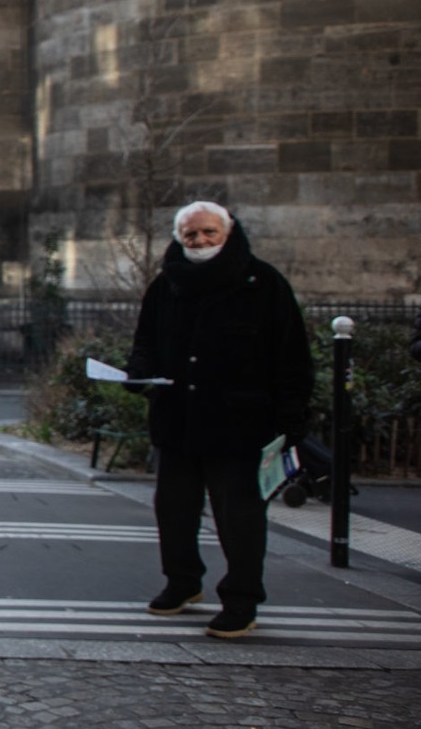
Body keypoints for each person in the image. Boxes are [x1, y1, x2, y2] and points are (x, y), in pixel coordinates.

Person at [126, 201, 312, 640]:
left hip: (239, 424)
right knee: (174, 510)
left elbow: (292, 356)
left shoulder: (263, 284)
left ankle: (242, 600)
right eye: (191, 235)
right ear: (179, 238)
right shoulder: (165, 285)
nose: (200, 241)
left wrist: (292, 417)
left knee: (239, 516)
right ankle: (182, 582)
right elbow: (145, 341)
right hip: (177, 419)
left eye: (209, 232)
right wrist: (137, 373)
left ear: (227, 233)